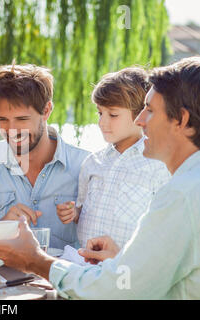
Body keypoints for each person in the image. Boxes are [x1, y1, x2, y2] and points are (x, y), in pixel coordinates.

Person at [0, 57, 200, 299]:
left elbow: (117, 290)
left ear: (182, 120)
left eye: (150, 110)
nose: (139, 119)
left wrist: (36, 261)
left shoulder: (182, 195)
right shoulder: (186, 187)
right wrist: (122, 259)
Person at [0, 63, 90, 249]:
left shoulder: (85, 166)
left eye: (22, 119)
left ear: (46, 110)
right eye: (2, 120)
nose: (12, 131)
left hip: (64, 276)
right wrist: (1, 227)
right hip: (2, 276)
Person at [56, 67, 171, 249]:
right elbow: (84, 210)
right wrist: (74, 213)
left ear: (142, 114)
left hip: (127, 266)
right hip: (85, 263)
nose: (102, 122)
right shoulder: (93, 163)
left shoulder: (158, 165)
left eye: (113, 114)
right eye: (100, 113)